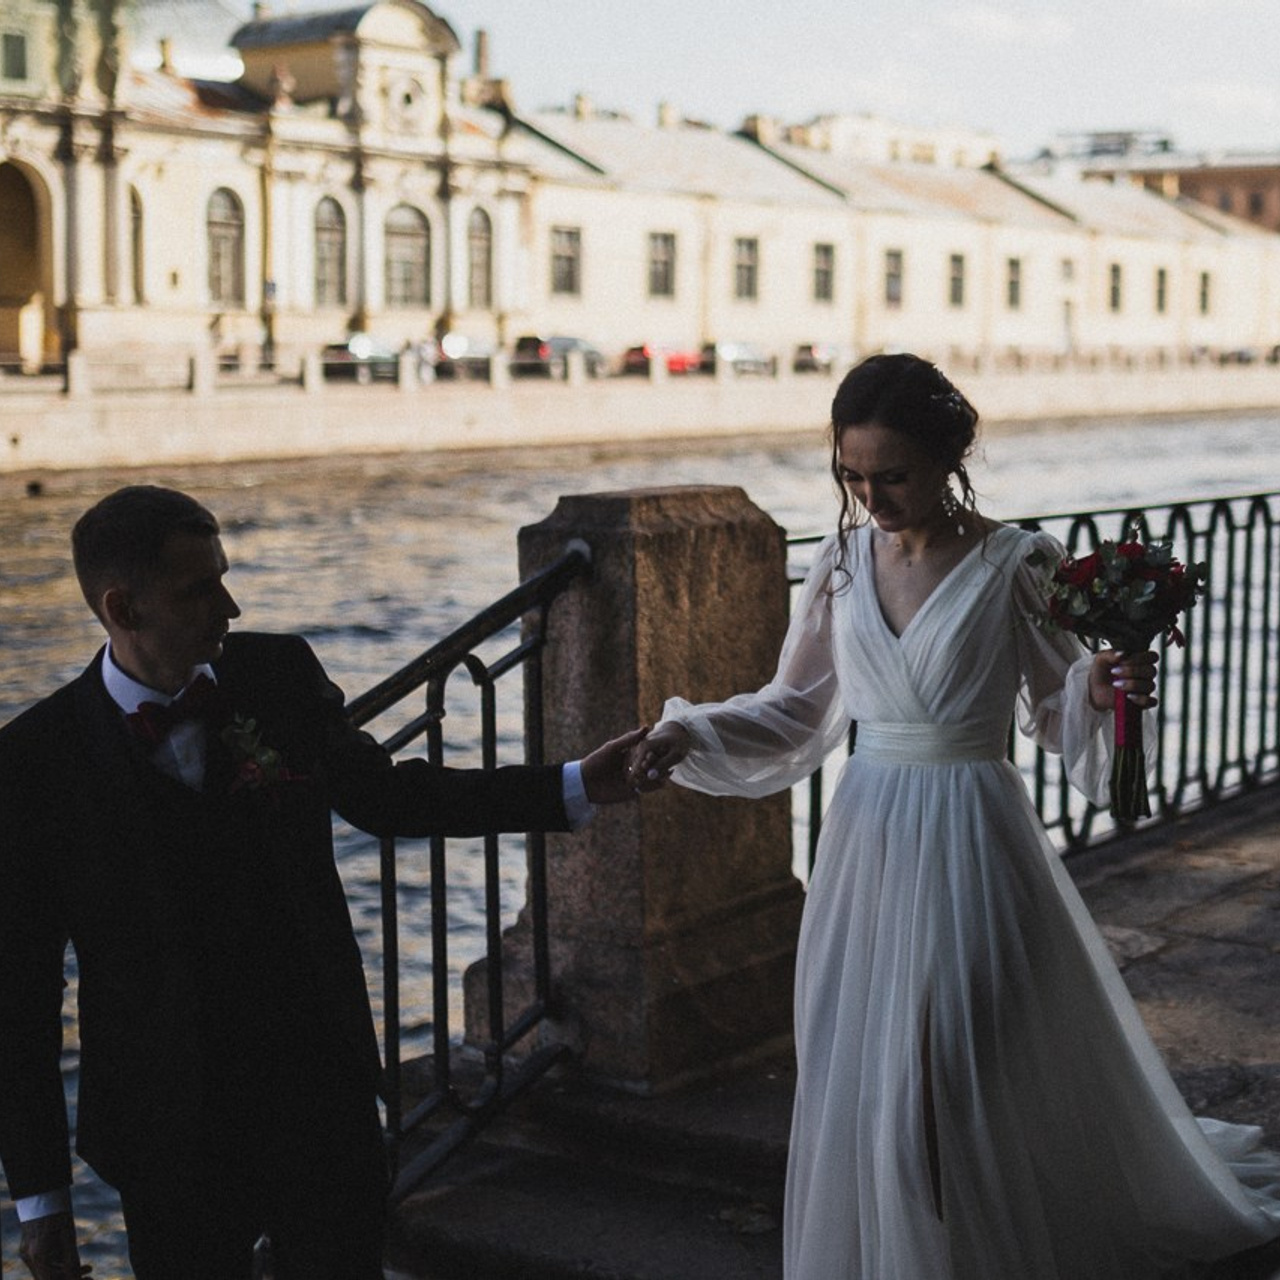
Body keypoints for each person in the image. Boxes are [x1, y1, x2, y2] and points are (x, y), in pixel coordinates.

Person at [629, 353, 1280, 1278]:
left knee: (944, 1072)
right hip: (868, 844)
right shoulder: (843, 562)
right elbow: (796, 709)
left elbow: (1057, 713)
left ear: (949, 456)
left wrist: (1097, 682)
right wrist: (688, 733)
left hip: (974, 837)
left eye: (892, 474)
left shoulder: (1018, 562)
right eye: (854, 476)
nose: (872, 497)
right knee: (872, 1080)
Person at [0, 484, 647, 1280]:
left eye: (224, 577)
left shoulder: (277, 675)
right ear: (122, 609)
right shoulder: (34, 763)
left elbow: (393, 795)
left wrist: (575, 784)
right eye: (199, 589)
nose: (229, 607)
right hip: (167, 1132)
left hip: (318, 1098)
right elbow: (20, 998)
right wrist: (42, 1201)